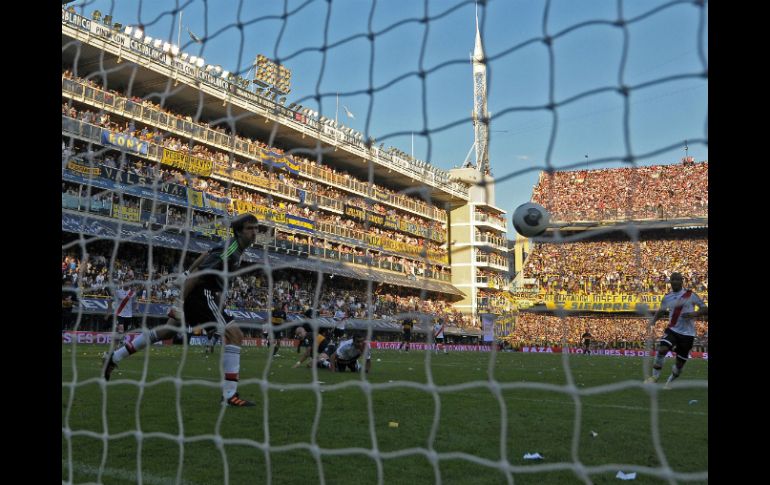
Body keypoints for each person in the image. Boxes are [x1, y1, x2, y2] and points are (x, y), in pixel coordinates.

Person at [103, 213, 263, 407]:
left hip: (202, 293)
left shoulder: (231, 247)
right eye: (249, 228)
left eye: (256, 228)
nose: (254, 232)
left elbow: (205, 254)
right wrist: (179, 301)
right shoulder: (231, 249)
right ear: (238, 231)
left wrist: (187, 272)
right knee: (235, 335)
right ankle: (229, 396)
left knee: (168, 331)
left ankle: (115, 356)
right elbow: (198, 275)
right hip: (200, 294)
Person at [644, 272, 708, 389]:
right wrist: (653, 320)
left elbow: (705, 308)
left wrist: (695, 313)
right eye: (672, 280)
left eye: (677, 280)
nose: (674, 282)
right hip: (673, 330)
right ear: (670, 282)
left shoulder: (690, 295)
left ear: (681, 281)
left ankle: (670, 382)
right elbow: (661, 311)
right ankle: (654, 377)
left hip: (688, 334)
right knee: (662, 349)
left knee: (679, 365)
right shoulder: (667, 297)